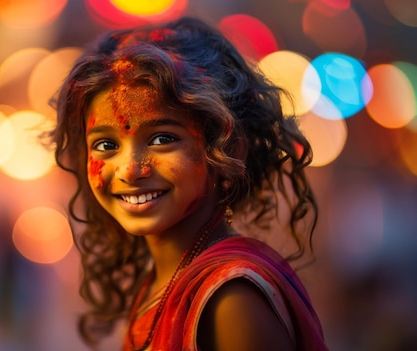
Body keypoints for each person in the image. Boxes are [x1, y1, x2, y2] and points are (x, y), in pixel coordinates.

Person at [49, 16, 328, 350]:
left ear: (227, 149)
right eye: (106, 146)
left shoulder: (231, 299)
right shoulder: (162, 281)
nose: (130, 170)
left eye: (162, 139)